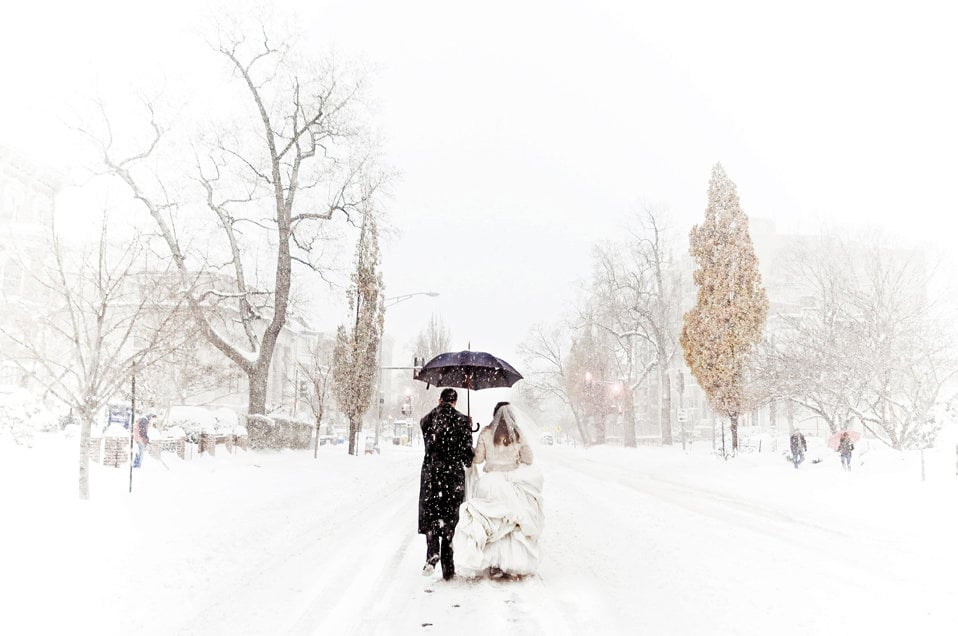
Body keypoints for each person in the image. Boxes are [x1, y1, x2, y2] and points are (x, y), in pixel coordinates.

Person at [453, 402, 545, 580]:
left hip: (489, 483)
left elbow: (478, 459)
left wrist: (471, 443)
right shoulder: (517, 435)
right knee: (510, 526)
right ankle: (512, 562)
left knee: (491, 524)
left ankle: (494, 564)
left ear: (494, 414)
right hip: (510, 483)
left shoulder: (486, 433)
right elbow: (529, 458)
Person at [418, 388, 475, 581]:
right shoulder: (462, 421)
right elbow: (468, 458)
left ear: (439, 399)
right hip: (452, 476)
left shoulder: (426, 420)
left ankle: (432, 551)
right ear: (455, 402)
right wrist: (468, 429)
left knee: (433, 512)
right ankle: (448, 570)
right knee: (450, 518)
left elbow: (431, 440)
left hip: (431, 474)